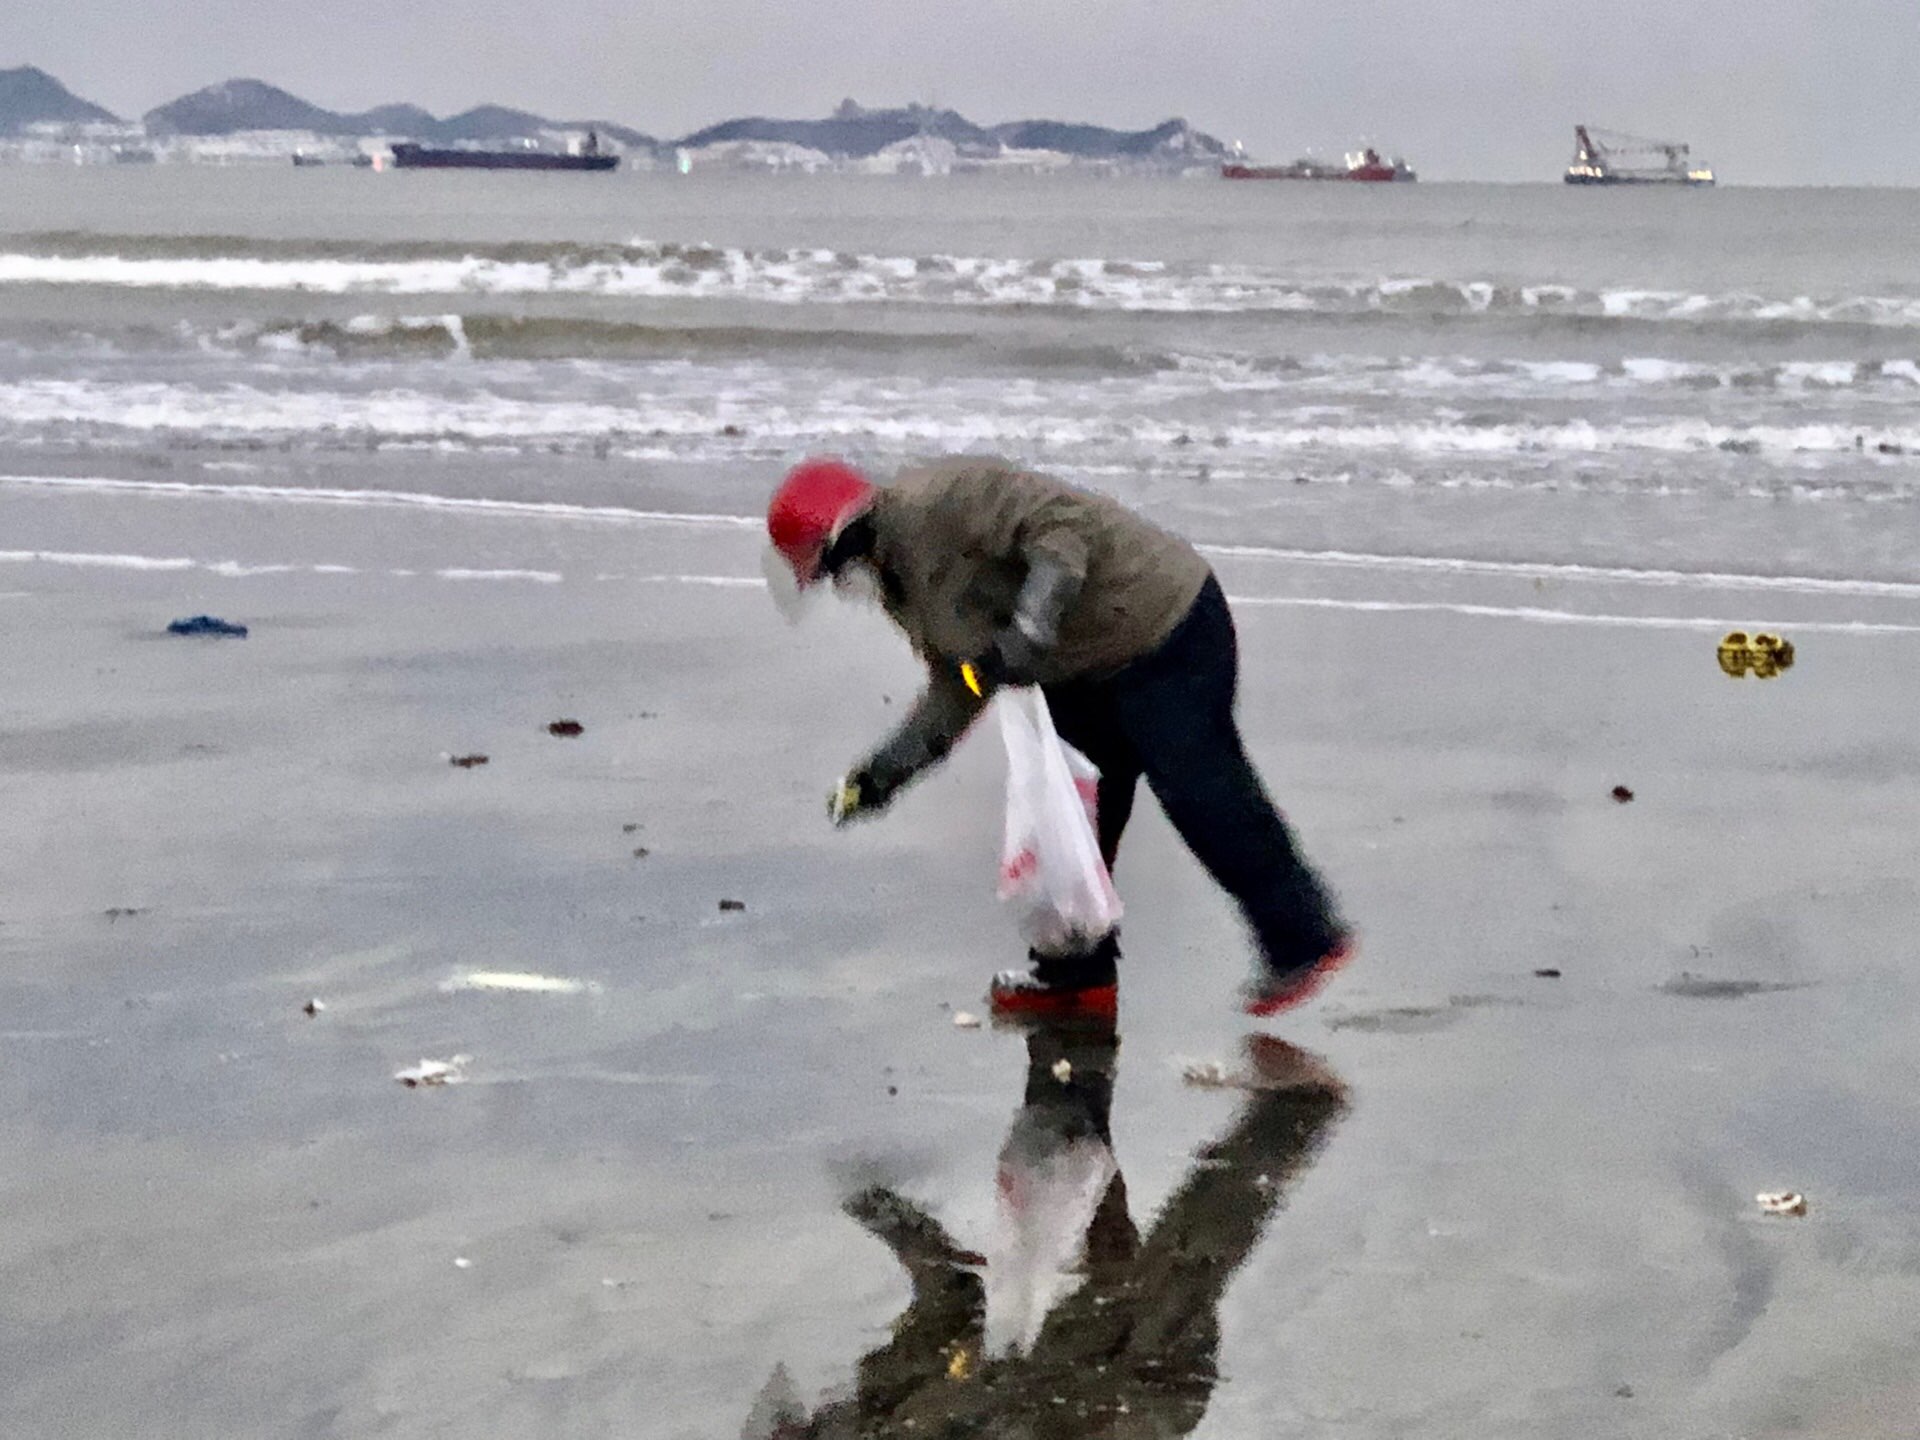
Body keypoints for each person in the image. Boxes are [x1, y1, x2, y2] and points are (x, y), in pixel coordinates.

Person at [763, 454, 1350, 1017]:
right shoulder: (903, 588)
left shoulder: (945, 499)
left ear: (843, 535)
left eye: (828, 568)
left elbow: (1063, 534)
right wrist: (881, 775)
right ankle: (1076, 975)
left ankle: (1305, 937)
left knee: (1199, 790)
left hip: (1163, 628)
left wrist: (1028, 630)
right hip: (1077, 669)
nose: (835, 583)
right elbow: (962, 684)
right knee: (1069, 818)